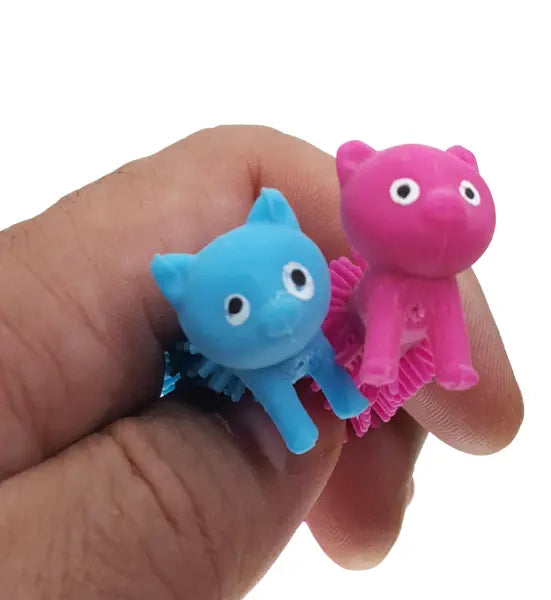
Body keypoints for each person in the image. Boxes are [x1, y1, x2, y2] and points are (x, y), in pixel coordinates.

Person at [0, 125, 523, 599]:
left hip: (331, 349)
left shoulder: (405, 289)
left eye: (295, 280)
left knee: (330, 371)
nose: (278, 311)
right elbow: (379, 326)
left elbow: (445, 327)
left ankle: (338, 399)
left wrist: (450, 363)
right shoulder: (331, 302)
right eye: (237, 308)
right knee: (290, 404)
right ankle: (305, 420)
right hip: (273, 369)